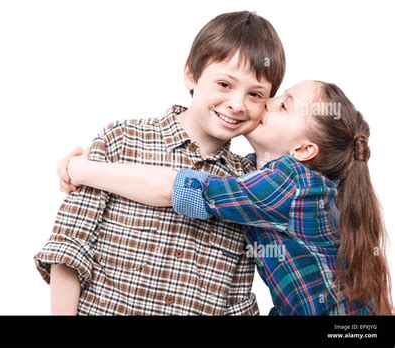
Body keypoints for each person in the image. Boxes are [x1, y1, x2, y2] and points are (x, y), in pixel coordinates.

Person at [61, 80, 394, 315]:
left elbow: (175, 188)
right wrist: (100, 154)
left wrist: (83, 171)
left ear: (303, 150)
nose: (266, 103)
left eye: (283, 105)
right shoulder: (258, 177)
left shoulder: (291, 184)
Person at [34, 11, 286, 315]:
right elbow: (70, 247)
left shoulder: (247, 183)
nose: (236, 104)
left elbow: (238, 295)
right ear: (191, 74)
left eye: (255, 94)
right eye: (224, 84)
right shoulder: (121, 140)